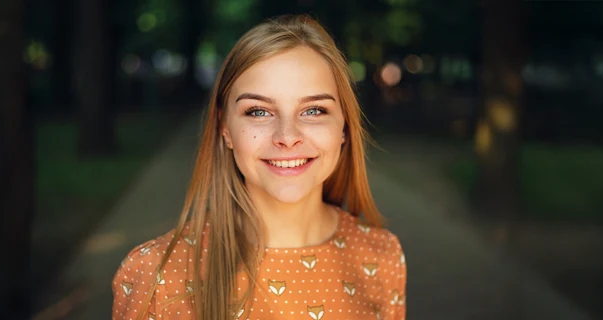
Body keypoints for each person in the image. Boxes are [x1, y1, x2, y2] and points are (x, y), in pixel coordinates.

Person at [112, 14, 406, 320]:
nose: (287, 137)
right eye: (258, 112)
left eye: (314, 110)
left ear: (344, 127)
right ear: (225, 127)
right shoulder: (155, 275)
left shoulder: (381, 256)